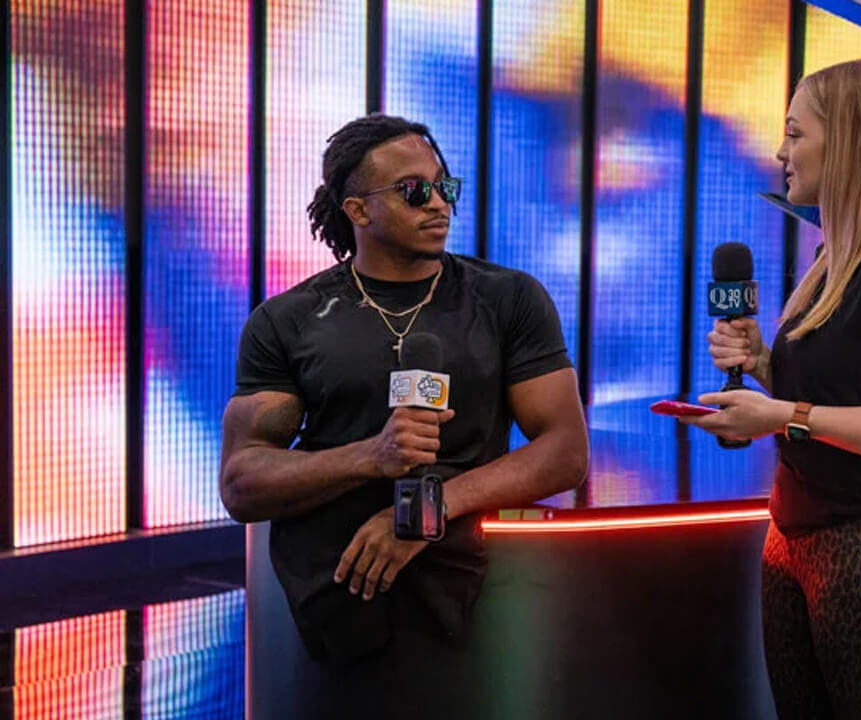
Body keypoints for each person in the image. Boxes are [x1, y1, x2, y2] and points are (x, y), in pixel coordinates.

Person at [219, 114, 588, 717]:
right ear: (357, 210)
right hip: (340, 598)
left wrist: (421, 516)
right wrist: (371, 456)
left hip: (479, 590)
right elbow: (242, 483)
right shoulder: (288, 320)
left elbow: (565, 452)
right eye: (415, 191)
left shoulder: (508, 299)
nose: (439, 203)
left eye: (445, 186)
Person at [686, 60, 861, 718]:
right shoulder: (832, 259)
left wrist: (780, 414)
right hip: (798, 542)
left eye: (795, 134)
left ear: (849, 142)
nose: (780, 152)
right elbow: (841, 392)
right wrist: (762, 363)